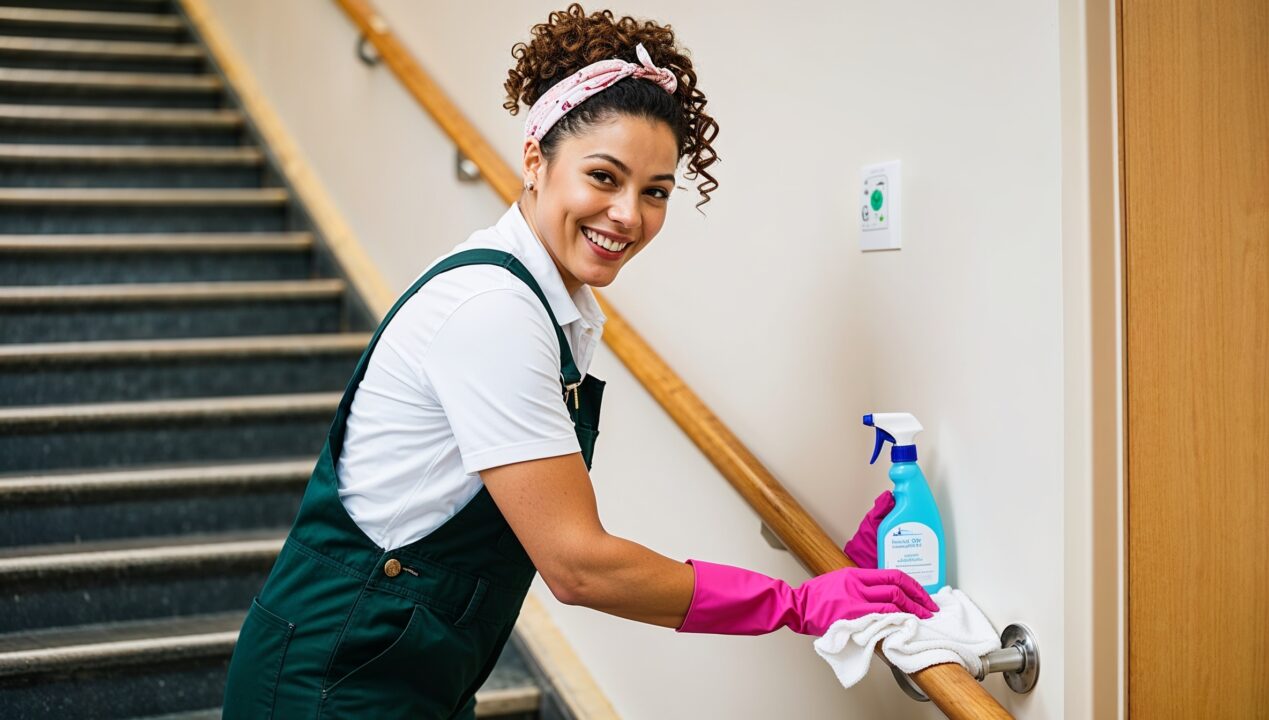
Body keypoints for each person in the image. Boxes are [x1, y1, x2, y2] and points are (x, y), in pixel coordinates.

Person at [222, 5, 936, 718]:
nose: (629, 214)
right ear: (535, 160)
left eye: (655, 192)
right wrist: (794, 602)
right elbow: (577, 564)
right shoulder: (492, 310)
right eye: (603, 176)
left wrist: (836, 575)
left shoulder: (546, 304)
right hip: (332, 678)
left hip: (408, 670)